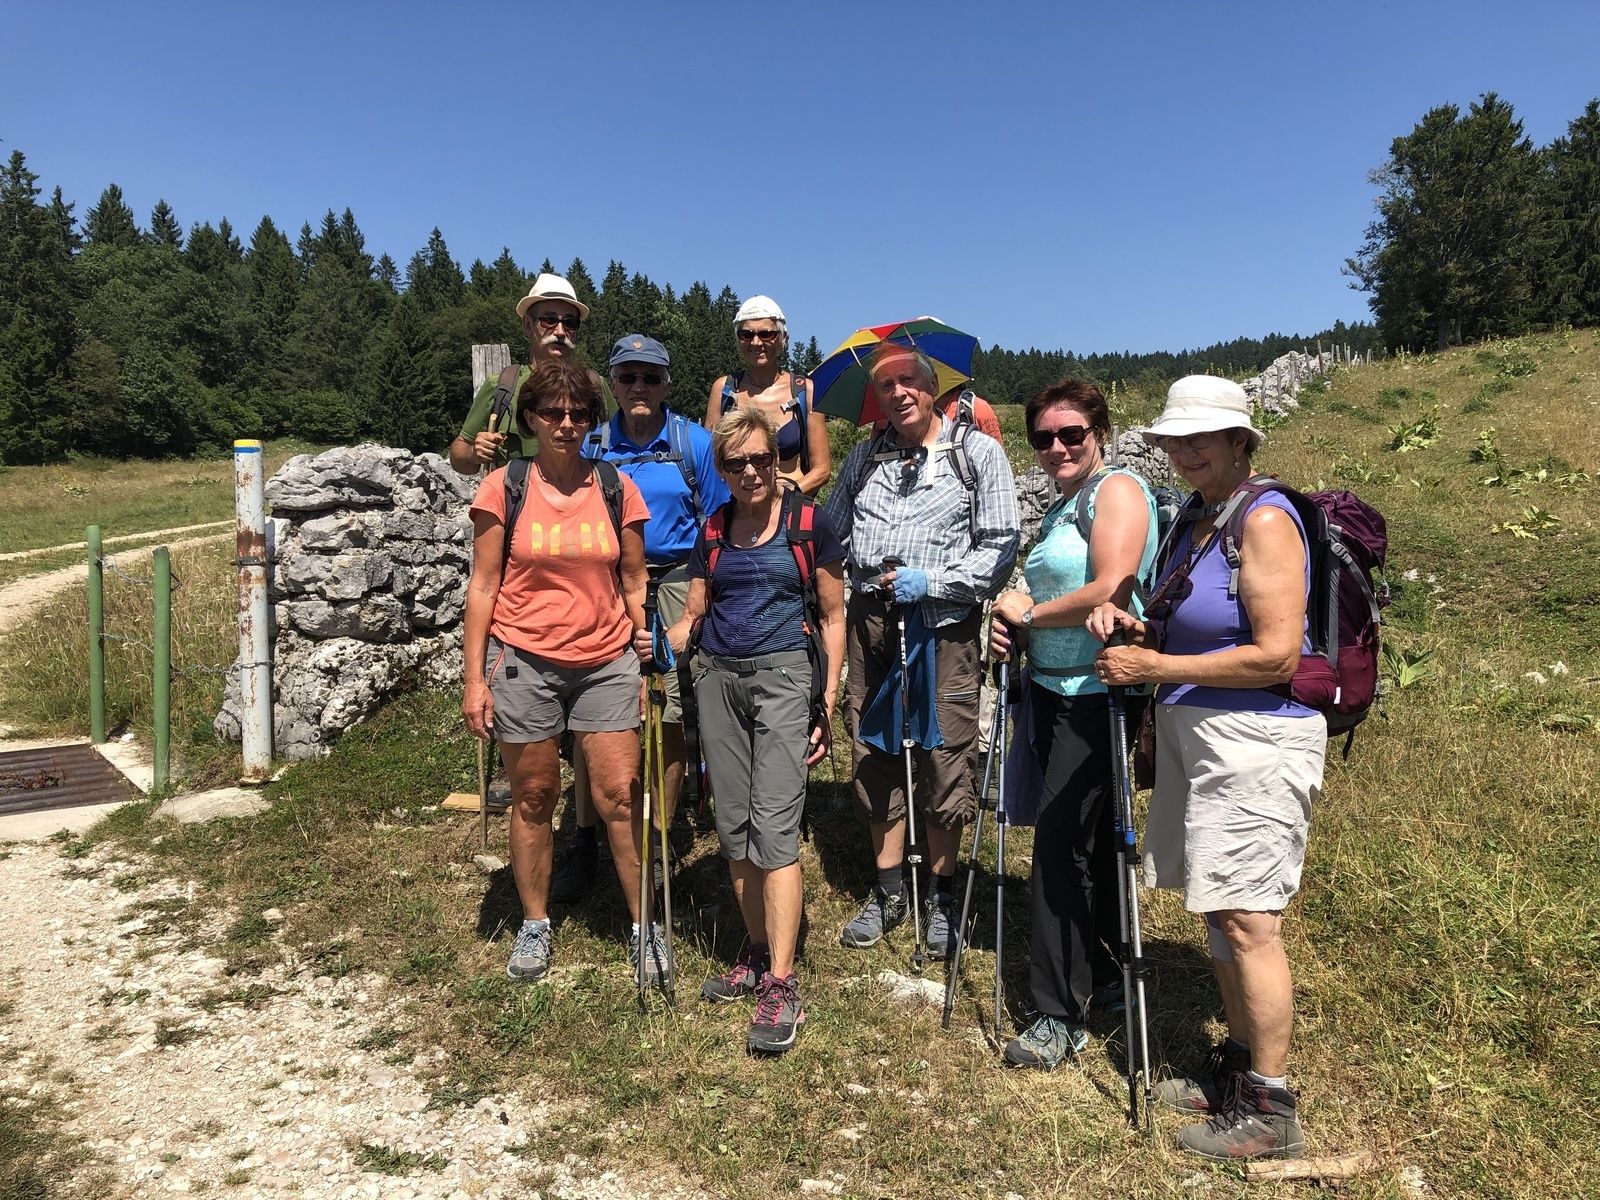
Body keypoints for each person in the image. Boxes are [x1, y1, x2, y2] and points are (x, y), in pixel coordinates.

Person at [1089, 374, 1327, 1161]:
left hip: (1255, 743)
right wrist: (1136, 625)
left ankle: (1271, 1108)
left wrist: (1152, 661)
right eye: (1174, 441)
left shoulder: (1263, 519)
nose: (1185, 452)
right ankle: (1238, 1071)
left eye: (1202, 439)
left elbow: (1277, 654)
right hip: (1208, 737)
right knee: (1221, 907)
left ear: (1239, 441)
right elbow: (1190, 621)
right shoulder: (1198, 516)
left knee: (1251, 919)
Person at [461, 358, 667, 987]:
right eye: (553, 412)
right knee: (533, 797)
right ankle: (534, 923)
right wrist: (474, 679)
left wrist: (644, 637)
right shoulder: (504, 486)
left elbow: (634, 577)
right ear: (530, 419)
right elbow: (484, 584)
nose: (567, 423)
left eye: (579, 413)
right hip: (524, 658)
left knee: (619, 798)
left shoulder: (613, 487)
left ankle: (643, 926)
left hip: (605, 660)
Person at [663, 407, 845, 1055]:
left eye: (761, 459)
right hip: (717, 676)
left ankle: (782, 982)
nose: (750, 472)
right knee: (734, 825)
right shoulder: (712, 528)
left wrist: (825, 698)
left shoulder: (807, 524)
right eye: (736, 462)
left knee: (775, 827)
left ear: (778, 459)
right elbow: (694, 608)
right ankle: (757, 948)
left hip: (783, 678)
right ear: (722, 469)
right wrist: (672, 639)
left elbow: (831, 615)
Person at [826, 342, 1019, 955]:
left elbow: (998, 545)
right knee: (873, 746)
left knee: (945, 754)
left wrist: (931, 582)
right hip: (872, 625)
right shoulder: (864, 457)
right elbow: (832, 531)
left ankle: (940, 895)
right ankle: (887, 890)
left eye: (909, 381)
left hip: (943, 628)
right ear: (876, 399)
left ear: (933, 387)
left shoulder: (976, 454)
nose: (899, 393)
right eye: (886, 386)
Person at [987, 379, 1157, 1069]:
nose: (1056, 447)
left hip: (1098, 694)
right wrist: (1013, 619)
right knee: (1087, 841)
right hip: (1056, 690)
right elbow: (1056, 593)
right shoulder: (1065, 505)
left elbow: (1108, 587)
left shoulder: (1115, 491)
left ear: (1101, 435)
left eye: (1071, 435)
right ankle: (1109, 972)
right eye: (1044, 438)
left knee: (1058, 852)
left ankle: (1059, 1014)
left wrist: (1024, 612)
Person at [549, 334, 728, 897]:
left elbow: (720, 522)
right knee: (592, 709)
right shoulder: (593, 444)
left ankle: (657, 838)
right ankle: (585, 836)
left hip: (673, 578)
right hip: (602, 583)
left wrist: (704, 595)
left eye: (650, 377)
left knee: (667, 712)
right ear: (613, 383)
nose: (639, 388)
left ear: (668, 384)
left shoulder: (694, 443)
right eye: (628, 377)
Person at [449, 272, 615, 473]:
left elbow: (622, 445)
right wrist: (474, 453)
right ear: (528, 325)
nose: (561, 331)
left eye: (570, 322)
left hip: (581, 501)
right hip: (516, 502)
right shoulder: (502, 386)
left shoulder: (594, 385)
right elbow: (459, 457)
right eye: (549, 320)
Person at [706, 295, 831, 495]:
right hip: (739, 513)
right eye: (746, 334)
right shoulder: (724, 390)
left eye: (766, 334)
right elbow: (710, 462)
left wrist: (783, 497)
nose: (756, 342)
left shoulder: (805, 391)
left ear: (783, 339)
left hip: (791, 511)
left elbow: (822, 470)